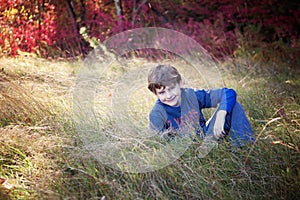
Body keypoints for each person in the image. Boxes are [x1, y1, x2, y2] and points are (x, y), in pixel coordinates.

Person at [147, 64, 255, 147]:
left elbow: (228, 93)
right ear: (155, 93)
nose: (169, 95)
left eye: (171, 88)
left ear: (180, 83)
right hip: (185, 149)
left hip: (206, 136)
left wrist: (221, 114)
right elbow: (160, 144)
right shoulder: (157, 114)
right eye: (162, 92)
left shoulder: (191, 95)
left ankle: (243, 148)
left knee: (233, 105)